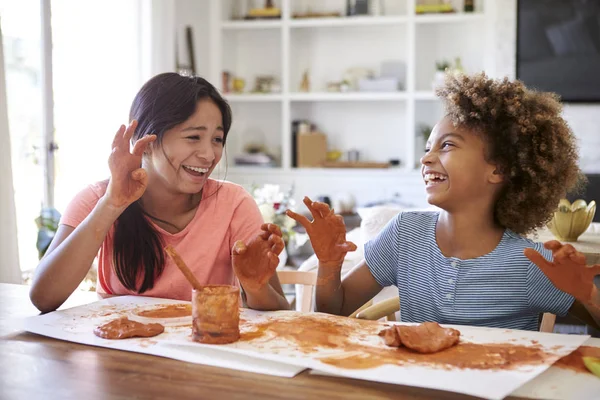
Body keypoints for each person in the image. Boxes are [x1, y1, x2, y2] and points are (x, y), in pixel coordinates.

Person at [287, 73, 600, 331]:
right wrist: (329, 264)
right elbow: (333, 312)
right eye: (427, 147)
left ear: (499, 169)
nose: (426, 158)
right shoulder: (404, 235)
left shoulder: (530, 262)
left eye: (447, 145)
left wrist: (588, 295)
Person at [30, 73, 289, 313]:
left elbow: (282, 317)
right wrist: (111, 205)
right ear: (146, 141)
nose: (209, 155)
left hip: (203, 353)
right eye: (193, 137)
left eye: (217, 139)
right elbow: (43, 297)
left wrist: (255, 287)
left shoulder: (234, 204)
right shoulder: (97, 199)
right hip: (119, 354)